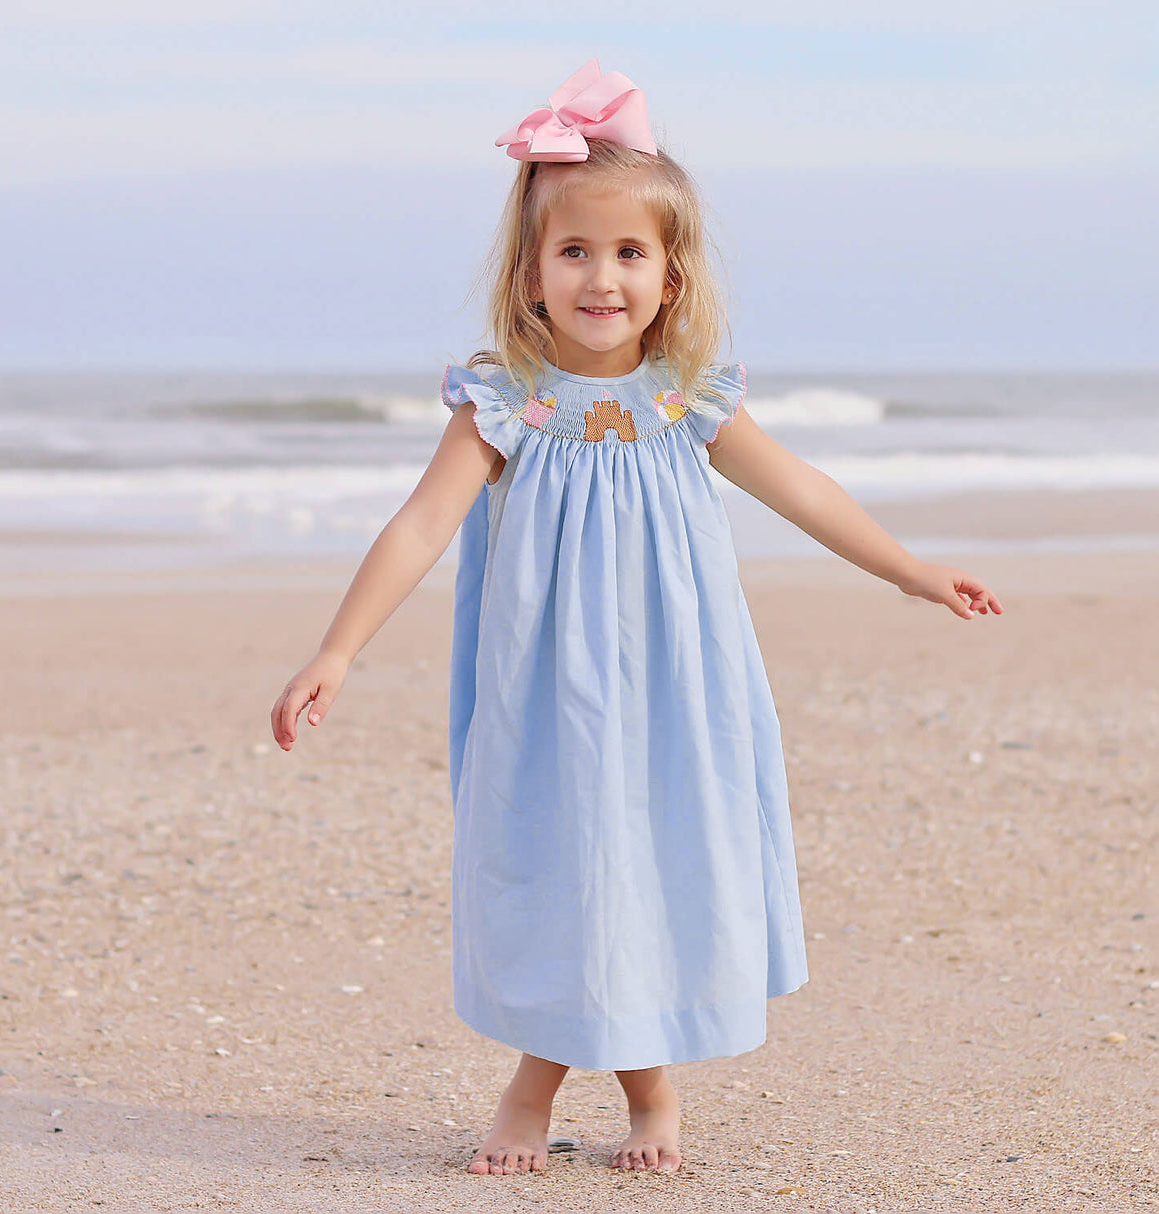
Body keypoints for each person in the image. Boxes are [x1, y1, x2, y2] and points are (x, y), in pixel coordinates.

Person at [270, 58, 1003, 1179]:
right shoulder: (501, 402)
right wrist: (337, 647)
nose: (600, 276)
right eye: (573, 250)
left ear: (669, 276)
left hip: (674, 682)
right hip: (545, 688)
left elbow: (798, 486)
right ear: (529, 274)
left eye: (627, 253)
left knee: (654, 861)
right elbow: (419, 526)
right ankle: (550, 1079)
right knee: (562, 861)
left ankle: (642, 1087)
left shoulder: (687, 397)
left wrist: (905, 568)